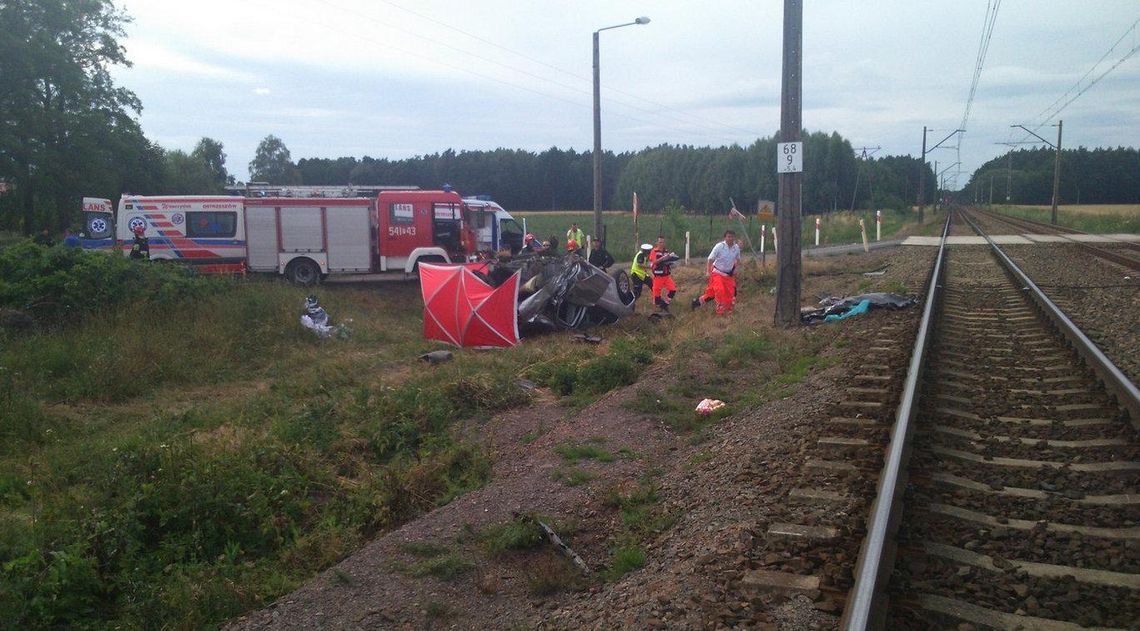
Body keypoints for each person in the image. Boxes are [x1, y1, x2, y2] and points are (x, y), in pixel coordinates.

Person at [693, 230, 742, 315]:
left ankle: (697, 303)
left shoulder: (736, 248)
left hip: (728, 275)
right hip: (717, 273)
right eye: (728, 237)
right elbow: (710, 259)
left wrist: (735, 269)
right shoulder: (719, 246)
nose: (730, 239)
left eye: (732, 237)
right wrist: (708, 272)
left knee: (726, 294)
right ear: (725, 238)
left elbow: (738, 259)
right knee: (719, 290)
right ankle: (720, 311)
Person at [649, 236, 678, 311]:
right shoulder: (654, 251)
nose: (661, 244)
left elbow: (668, 261)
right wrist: (663, 258)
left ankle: (664, 305)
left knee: (673, 290)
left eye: (663, 242)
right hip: (658, 276)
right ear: (657, 243)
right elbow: (654, 262)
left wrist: (672, 260)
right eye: (660, 242)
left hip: (666, 275)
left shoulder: (666, 251)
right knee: (656, 296)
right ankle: (655, 312)